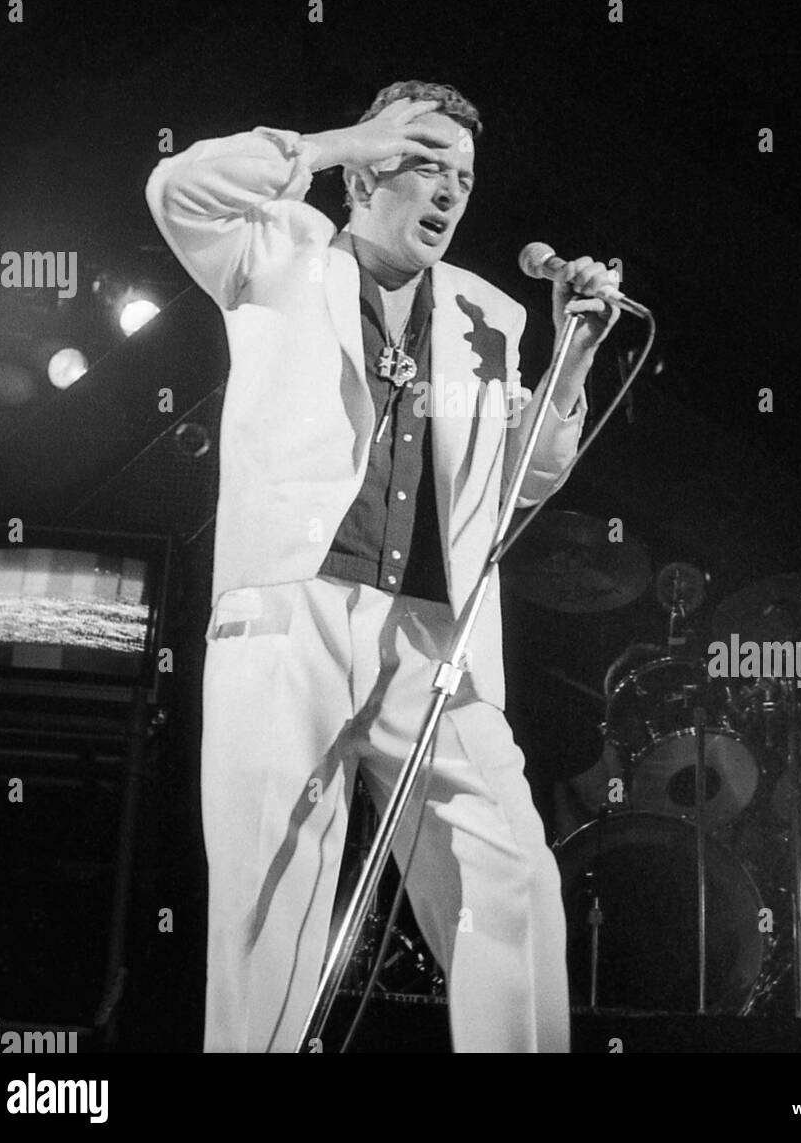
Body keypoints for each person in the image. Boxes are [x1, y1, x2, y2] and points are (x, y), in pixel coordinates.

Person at [145, 79, 621, 1053]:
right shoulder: (279, 249)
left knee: (515, 878)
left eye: (466, 175)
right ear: (369, 170)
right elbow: (179, 188)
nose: (451, 189)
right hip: (294, 619)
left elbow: (523, 480)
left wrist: (572, 355)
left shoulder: (488, 314)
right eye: (427, 161)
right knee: (269, 911)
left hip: (429, 637)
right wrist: (340, 139)